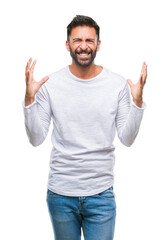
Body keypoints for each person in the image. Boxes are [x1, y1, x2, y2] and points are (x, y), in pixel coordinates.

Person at [23, 15, 147, 240]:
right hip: (61, 194)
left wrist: (137, 103)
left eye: (89, 41)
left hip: (101, 195)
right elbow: (36, 138)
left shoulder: (116, 84)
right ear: (67, 44)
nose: (83, 46)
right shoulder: (50, 85)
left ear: (98, 45)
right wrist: (30, 99)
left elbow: (127, 139)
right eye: (77, 40)